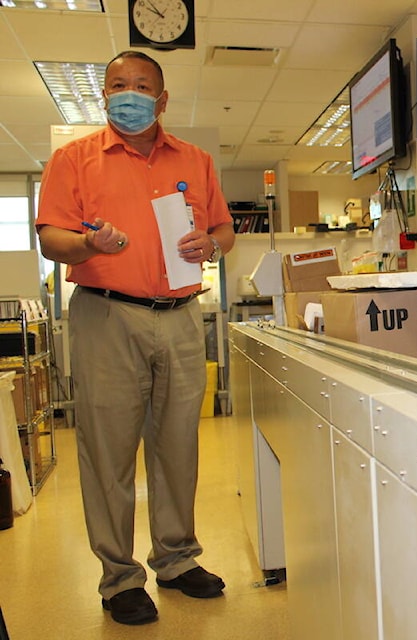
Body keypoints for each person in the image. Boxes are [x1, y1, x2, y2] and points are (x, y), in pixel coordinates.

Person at [36, 50, 236, 626]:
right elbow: (51, 237)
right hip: (106, 317)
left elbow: (221, 226)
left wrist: (214, 243)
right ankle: (119, 576)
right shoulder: (74, 160)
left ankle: (175, 559)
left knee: (178, 446)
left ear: (162, 99)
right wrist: (88, 245)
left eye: (140, 85)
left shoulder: (195, 161)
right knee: (108, 452)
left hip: (178, 316)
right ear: (104, 94)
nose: (128, 93)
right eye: (117, 84)